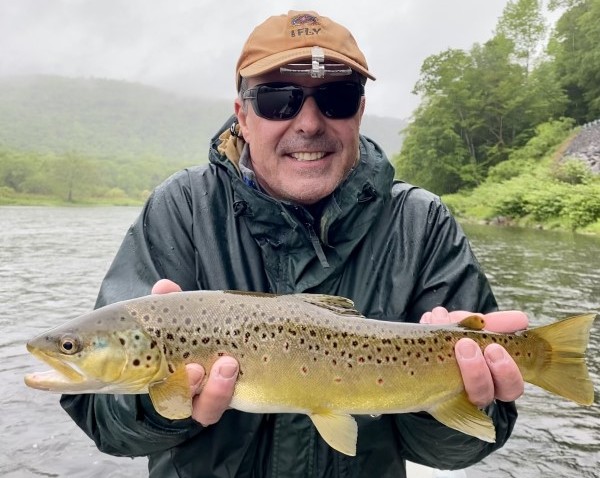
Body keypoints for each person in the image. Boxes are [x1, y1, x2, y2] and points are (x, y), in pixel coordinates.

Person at [61, 10, 527, 478]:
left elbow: (460, 448)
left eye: (337, 98)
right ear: (243, 117)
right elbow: (103, 421)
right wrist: (161, 406)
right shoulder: (182, 209)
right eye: (278, 99)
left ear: (359, 111)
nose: (308, 122)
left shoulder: (421, 223)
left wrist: (453, 392)